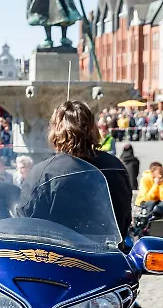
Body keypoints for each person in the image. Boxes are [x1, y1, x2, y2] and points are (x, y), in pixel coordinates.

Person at [44, 101, 132, 238]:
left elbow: (26, 219)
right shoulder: (115, 166)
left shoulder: (45, 172)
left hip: (60, 254)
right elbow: (125, 216)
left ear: (56, 130)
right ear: (93, 128)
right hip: (106, 252)